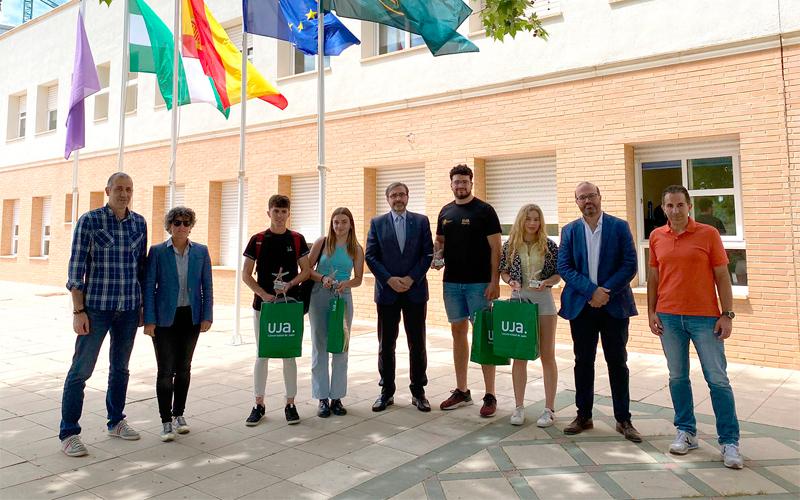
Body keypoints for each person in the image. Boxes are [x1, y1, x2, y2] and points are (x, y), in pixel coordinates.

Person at [648, 185, 743, 469]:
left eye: (680, 205)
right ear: (663, 208)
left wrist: (727, 314)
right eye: (669, 205)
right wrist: (652, 311)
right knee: (677, 377)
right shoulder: (656, 237)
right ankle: (686, 432)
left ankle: (729, 442)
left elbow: (723, 276)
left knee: (717, 379)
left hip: (705, 319)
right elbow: (653, 277)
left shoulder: (708, 234)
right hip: (669, 317)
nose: (675, 210)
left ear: (689, 206)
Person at [61, 172, 148, 457]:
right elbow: (76, 269)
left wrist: (143, 307)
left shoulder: (139, 223)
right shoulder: (90, 220)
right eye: (119, 189)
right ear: (107, 190)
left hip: (128, 309)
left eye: (129, 189)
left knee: (120, 369)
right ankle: (69, 432)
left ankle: (116, 421)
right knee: (80, 371)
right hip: (96, 308)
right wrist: (78, 310)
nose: (124, 194)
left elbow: (141, 269)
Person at [557, 182, 642, 442]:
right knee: (583, 361)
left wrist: (605, 291)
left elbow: (630, 265)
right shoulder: (569, 231)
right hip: (582, 306)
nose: (587, 201)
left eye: (591, 196)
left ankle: (623, 419)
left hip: (614, 305)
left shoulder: (619, 227)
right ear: (577, 202)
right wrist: (591, 291)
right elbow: (564, 266)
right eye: (582, 198)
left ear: (600, 197)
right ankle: (584, 415)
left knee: (617, 361)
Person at [433, 164, 502, 417]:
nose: (460, 186)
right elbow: (439, 242)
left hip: (480, 284)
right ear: (450, 184)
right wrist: (437, 255)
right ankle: (462, 390)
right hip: (451, 284)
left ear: (471, 183)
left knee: (483, 336)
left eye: (464, 181)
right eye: (456, 182)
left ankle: (490, 394)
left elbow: (497, 249)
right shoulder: (445, 211)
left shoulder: (485, 211)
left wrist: (495, 282)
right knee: (457, 332)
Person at [143, 206, 213, 442]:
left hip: (190, 317)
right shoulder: (157, 252)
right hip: (164, 319)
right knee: (165, 371)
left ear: (191, 226)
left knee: (184, 369)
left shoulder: (201, 252)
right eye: (177, 223)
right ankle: (165, 421)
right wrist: (149, 320)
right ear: (169, 226)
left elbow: (207, 287)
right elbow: (149, 288)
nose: (181, 227)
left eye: (185, 223)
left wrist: (207, 316)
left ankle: (179, 415)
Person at [242, 194, 310, 426]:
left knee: (289, 354)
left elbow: (307, 271)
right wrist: (264, 294)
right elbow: (245, 274)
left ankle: (290, 404)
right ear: (268, 212)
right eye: (275, 211)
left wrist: (291, 284)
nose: (279, 215)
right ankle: (258, 404)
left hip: (289, 308)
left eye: (283, 211)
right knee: (263, 353)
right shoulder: (258, 240)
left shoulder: (297, 239)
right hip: (264, 307)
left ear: (288, 213)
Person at [365, 182, 433, 412]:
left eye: (402, 194)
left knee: (418, 343)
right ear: (387, 199)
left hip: (415, 291)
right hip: (387, 293)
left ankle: (418, 391)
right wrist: (390, 279)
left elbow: (427, 254)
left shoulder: (421, 221)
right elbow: (370, 256)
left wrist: (412, 278)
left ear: (408, 196)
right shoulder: (377, 223)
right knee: (386, 344)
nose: (398, 199)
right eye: (393, 195)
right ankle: (386, 391)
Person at [499, 204, 560, 427]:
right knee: (520, 355)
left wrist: (547, 282)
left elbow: (558, 274)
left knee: (547, 355)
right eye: (529, 219)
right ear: (521, 221)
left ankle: (549, 409)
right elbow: (503, 271)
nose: (533, 223)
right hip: (519, 300)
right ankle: (518, 407)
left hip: (543, 300)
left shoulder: (550, 245)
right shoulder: (510, 246)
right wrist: (509, 281)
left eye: (536, 219)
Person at [307, 208, 364, 418]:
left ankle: (337, 397)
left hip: (343, 298)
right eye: (335, 222)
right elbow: (307, 269)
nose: (339, 226)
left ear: (351, 224)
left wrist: (345, 283)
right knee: (319, 345)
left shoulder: (356, 249)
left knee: (341, 346)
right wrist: (322, 278)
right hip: (319, 296)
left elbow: (358, 278)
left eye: (343, 222)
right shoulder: (322, 242)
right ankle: (322, 397)